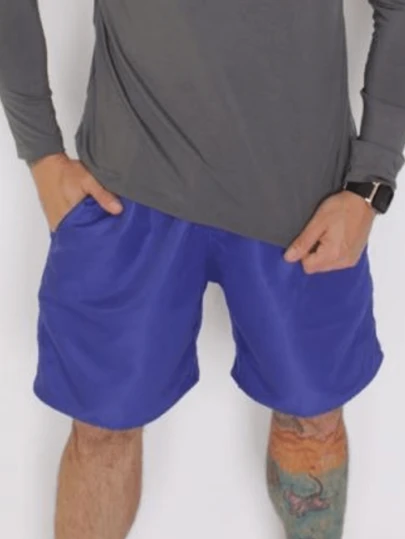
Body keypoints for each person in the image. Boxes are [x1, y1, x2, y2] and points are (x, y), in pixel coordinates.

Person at [1, 0, 404, 537]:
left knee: (312, 421)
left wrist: (371, 179)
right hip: (129, 192)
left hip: (301, 199)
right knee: (101, 429)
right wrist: (41, 151)